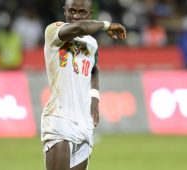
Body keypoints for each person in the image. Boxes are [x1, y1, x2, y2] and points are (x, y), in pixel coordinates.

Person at [41, 0, 126, 170]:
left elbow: (94, 70)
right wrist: (107, 25)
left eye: (82, 13)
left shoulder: (91, 44)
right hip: (59, 120)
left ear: (90, 14)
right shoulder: (54, 31)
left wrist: (94, 98)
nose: (76, 16)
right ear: (64, 11)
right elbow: (79, 28)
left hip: (84, 125)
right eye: (72, 11)